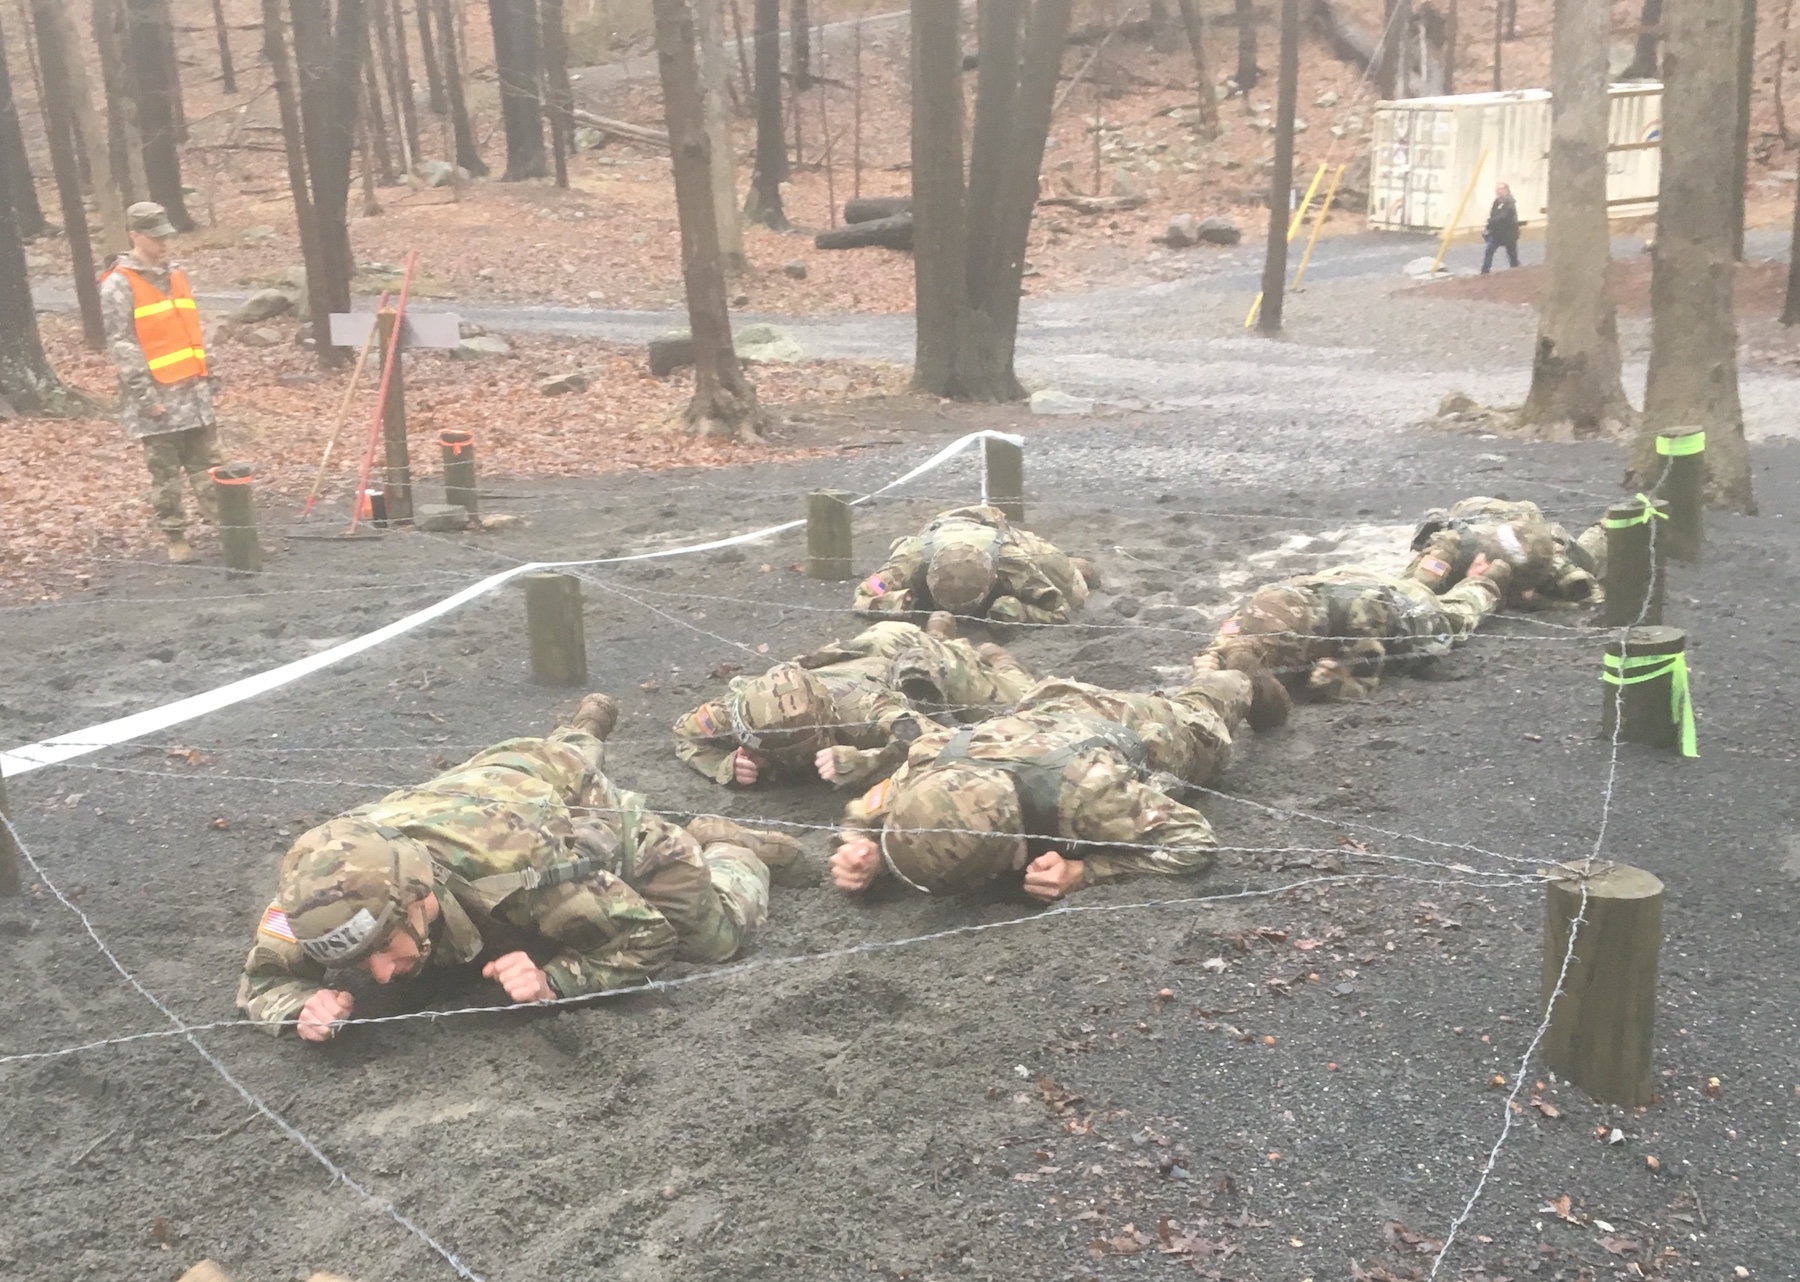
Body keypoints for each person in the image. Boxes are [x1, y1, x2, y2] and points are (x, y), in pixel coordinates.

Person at [236, 694, 799, 1041]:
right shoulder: (321, 894)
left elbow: (646, 938)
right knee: (560, 754)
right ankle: (584, 726)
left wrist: (556, 980)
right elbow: (264, 975)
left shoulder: (518, 867)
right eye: (360, 961)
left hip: (564, 804)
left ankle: (725, 848)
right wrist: (294, 1007)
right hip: (491, 777)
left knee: (714, 937)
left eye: (382, 948)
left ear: (417, 898)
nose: (378, 974)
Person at [827, 668, 1288, 901]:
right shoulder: (932, 757)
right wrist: (863, 848)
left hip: (1142, 727)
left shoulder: (1090, 795)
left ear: (1009, 854)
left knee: (1211, 705)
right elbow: (867, 812)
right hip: (1048, 703)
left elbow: (1192, 840)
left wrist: (1084, 873)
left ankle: (1248, 678)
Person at [674, 615, 1036, 790]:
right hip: (863, 650)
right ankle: (939, 629)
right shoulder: (743, 708)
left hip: (901, 648)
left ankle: (978, 650)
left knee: (1021, 700)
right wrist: (725, 765)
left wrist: (865, 761)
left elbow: (938, 744)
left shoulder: (866, 710)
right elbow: (684, 734)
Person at [1193, 556, 1513, 702]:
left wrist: (1336, 683)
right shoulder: (1259, 611)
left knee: (1452, 620)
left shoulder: (1361, 615)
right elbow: (1229, 640)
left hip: (1393, 607)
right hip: (1343, 579)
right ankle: (1440, 561)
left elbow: (1365, 681)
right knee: (1411, 583)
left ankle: (1486, 579)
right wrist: (1211, 660)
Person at [100, 202, 220, 564]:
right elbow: (123, 345)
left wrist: (210, 373)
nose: (164, 242)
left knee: (213, 468)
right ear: (135, 235)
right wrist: (145, 398)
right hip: (158, 397)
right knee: (165, 474)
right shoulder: (119, 284)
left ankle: (234, 532)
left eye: (165, 234)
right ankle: (175, 537)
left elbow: (194, 329)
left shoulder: (177, 275)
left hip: (194, 391)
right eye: (155, 236)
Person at [853, 505, 1090, 624]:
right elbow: (868, 590)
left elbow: (1060, 610)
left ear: (990, 584)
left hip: (995, 531)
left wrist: (1018, 611)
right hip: (947, 524)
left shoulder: (1011, 560)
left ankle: (1079, 566)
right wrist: (900, 601)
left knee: (1073, 590)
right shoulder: (909, 559)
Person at [1404, 496, 1600, 605]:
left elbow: (1590, 595)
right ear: (1481, 559)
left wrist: (1536, 601)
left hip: (1518, 516)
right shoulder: (1449, 547)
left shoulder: (1540, 553)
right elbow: (1406, 595)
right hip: (1474, 509)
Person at [1481, 183, 1521, 274]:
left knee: (1512, 254)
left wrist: (1491, 220)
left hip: (1509, 233)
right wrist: (1488, 228)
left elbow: (1505, 216)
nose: (1499, 191)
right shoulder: (1496, 202)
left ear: (1506, 190)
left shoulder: (1510, 202)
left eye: (1501, 189)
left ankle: (1516, 270)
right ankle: (1485, 270)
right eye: (1497, 189)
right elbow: (1493, 215)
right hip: (1497, 233)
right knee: (1489, 250)